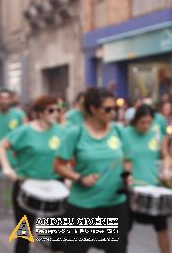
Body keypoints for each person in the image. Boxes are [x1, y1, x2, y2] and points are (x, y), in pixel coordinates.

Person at [54, 87, 132, 253]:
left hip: (115, 205)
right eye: (108, 109)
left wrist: (127, 175)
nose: (113, 113)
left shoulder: (119, 131)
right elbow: (59, 165)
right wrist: (79, 177)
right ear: (93, 109)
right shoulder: (75, 133)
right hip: (83, 205)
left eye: (115, 109)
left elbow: (127, 160)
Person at [0, 94, 64, 253]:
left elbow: (68, 156)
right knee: (23, 235)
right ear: (40, 112)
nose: (55, 113)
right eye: (51, 110)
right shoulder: (25, 131)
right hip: (26, 185)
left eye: (58, 110)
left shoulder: (61, 132)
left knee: (58, 236)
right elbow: (1, 146)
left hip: (55, 187)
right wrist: (7, 167)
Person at [124, 105, 171, 253]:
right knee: (125, 229)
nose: (146, 126)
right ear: (135, 121)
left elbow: (165, 155)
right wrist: (127, 176)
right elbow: (124, 160)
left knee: (162, 228)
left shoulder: (155, 133)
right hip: (131, 189)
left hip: (153, 186)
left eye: (149, 122)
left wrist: (167, 169)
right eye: (142, 122)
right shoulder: (125, 134)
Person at [0, 89, 27, 169]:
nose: (4, 101)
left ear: (11, 100)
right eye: (2, 98)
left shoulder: (19, 115)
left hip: (14, 162)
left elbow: (26, 136)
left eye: (7, 98)